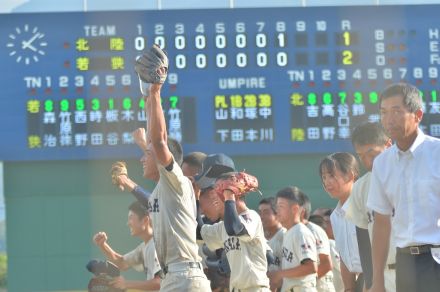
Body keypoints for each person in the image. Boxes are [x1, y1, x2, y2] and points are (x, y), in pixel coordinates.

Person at [133, 45, 211, 291]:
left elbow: (159, 142)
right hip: (175, 277)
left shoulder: (175, 179)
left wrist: (155, 91)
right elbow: (153, 144)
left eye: (146, 155)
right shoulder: (160, 190)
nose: (141, 159)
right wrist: (147, 100)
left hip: (184, 277)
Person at [366, 83, 440, 292]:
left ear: (417, 115)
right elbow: (381, 225)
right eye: (383, 112)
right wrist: (377, 280)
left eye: (397, 111)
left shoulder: (437, 153)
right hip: (405, 263)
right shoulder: (382, 164)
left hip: (436, 258)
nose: (389, 119)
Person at [343, 122, 395, 292]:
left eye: (372, 153)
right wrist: (370, 280)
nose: (367, 161)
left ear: (388, 144)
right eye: (361, 155)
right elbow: (364, 237)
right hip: (383, 275)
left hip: (419, 267)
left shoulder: (408, 174)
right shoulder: (360, 187)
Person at [198, 173, 271, 291]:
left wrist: (229, 196)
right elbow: (198, 233)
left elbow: (235, 229)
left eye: (220, 193)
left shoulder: (251, 216)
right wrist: (195, 197)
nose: (216, 199)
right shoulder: (223, 226)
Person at [93, 201, 161, 291]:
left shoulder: (156, 245)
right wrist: (102, 244)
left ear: (145, 220)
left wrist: (126, 284)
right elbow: (122, 263)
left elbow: (159, 283)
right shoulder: (145, 247)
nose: (128, 223)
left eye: (131, 218)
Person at [319, 153, 363, 292]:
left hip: (381, 278)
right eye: (324, 177)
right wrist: (349, 288)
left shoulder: (366, 205)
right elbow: (344, 257)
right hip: (361, 282)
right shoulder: (335, 217)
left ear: (350, 175)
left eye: (332, 175)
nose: (327, 182)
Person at [268, 186, 318, 292]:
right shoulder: (288, 232)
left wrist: (279, 274)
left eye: (281, 206)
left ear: (295, 209)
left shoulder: (300, 232)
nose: (277, 211)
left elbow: (311, 267)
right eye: (276, 207)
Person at [300, 195, 334, 292]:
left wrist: (304, 283)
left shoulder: (314, 230)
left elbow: (327, 265)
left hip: (322, 288)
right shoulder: (295, 232)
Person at [258, 197, 286, 273]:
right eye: (260, 212)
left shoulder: (284, 236)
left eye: (266, 212)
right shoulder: (259, 236)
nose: (261, 217)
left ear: (277, 214)